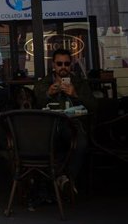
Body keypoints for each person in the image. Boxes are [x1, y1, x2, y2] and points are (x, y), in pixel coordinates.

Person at [33, 48, 96, 196]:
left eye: (66, 64)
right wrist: (49, 93)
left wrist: (75, 95)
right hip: (49, 127)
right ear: (53, 65)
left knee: (80, 142)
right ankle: (58, 181)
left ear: (71, 65)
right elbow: (35, 104)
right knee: (44, 146)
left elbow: (94, 106)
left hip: (72, 124)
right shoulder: (44, 83)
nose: (63, 67)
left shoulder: (79, 83)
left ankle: (66, 179)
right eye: (59, 63)